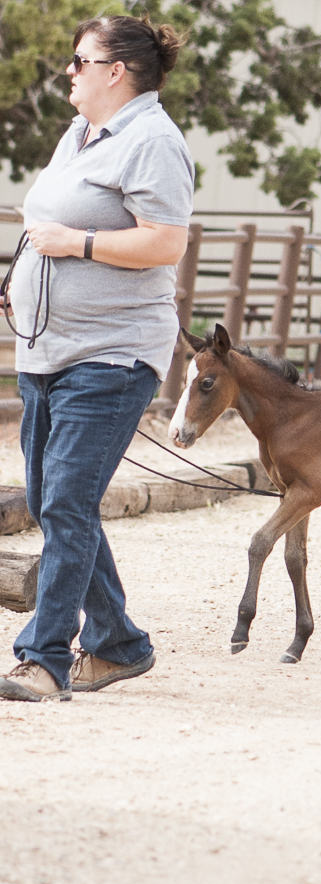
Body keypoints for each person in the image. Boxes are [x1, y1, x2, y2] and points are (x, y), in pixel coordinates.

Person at [0, 15, 195, 702]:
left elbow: (166, 242)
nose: (69, 72)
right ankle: (118, 643)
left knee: (68, 501)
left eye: (80, 61)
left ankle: (45, 658)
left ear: (117, 71)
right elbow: (45, 225)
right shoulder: (79, 134)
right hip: (47, 349)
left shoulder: (153, 142)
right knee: (56, 501)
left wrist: (75, 246)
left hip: (112, 355)